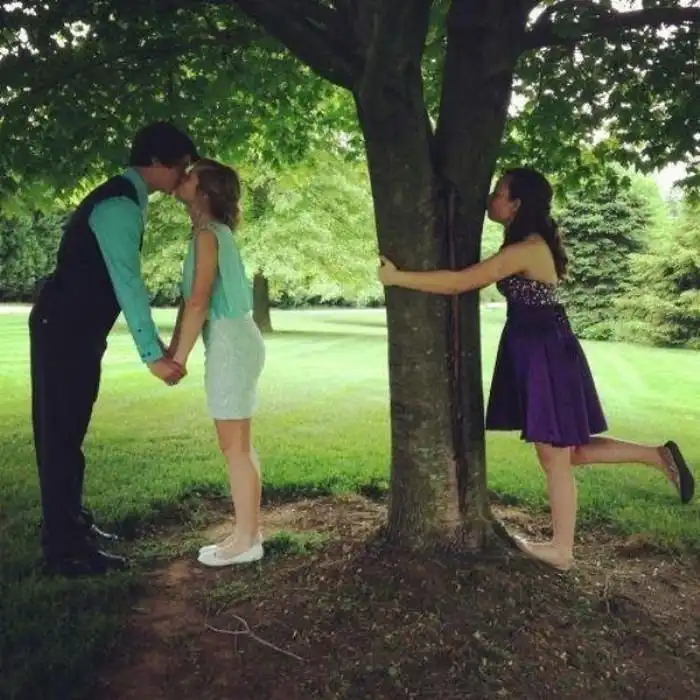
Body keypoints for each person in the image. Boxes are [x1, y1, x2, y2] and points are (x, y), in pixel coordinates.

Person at [377, 167, 695, 571]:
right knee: (568, 451)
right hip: (538, 348)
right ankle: (657, 456)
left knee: (556, 456)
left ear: (516, 204)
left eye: (499, 192)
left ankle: (562, 552)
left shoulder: (527, 249)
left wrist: (398, 277)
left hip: (545, 352)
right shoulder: (525, 244)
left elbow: (460, 283)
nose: (491, 198)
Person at [30, 121, 199, 577]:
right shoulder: (119, 206)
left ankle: (72, 525)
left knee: (69, 432)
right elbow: (128, 282)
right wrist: (152, 356)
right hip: (64, 329)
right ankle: (64, 550)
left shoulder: (124, 200)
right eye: (182, 166)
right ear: (157, 163)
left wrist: (154, 344)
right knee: (60, 436)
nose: (184, 176)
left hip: (73, 330)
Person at [168, 158, 266, 567]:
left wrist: (177, 359)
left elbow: (198, 301)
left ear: (203, 193)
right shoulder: (214, 233)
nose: (182, 177)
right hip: (239, 338)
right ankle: (249, 534)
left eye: (190, 175)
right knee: (240, 446)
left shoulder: (208, 235)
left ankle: (245, 542)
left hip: (229, 343)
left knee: (234, 448)